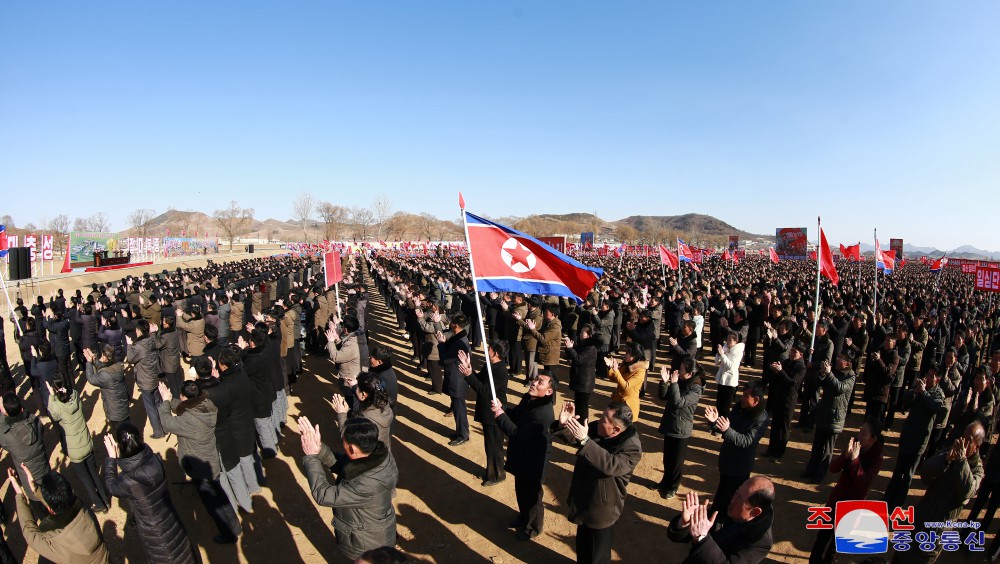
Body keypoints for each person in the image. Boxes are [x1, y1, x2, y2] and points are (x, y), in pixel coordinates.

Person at [552, 402, 642, 564]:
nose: (599, 420)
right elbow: (577, 439)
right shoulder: (601, 427)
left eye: (604, 419)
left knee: (597, 556)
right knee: (584, 547)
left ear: (616, 430)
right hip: (584, 496)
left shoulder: (632, 448)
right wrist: (564, 425)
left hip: (602, 507)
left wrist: (585, 441)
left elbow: (611, 465)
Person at [299, 416, 398, 561]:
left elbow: (323, 495)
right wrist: (319, 449)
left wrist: (311, 457)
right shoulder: (379, 455)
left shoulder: (367, 484)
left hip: (366, 543)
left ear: (352, 448)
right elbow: (344, 465)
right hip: (376, 531)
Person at [157, 380, 242, 544]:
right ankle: (235, 526)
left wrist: (165, 402)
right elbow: (184, 406)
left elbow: (167, 423)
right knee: (221, 496)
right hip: (211, 461)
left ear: (184, 397)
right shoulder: (206, 404)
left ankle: (228, 534)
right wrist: (170, 399)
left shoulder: (189, 420)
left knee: (213, 505)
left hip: (200, 467)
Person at [103, 423, 197, 563]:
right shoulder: (155, 459)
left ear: (120, 448)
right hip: (171, 521)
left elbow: (111, 486)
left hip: (155, 535)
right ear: (140, 439)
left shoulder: (128, 481)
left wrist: (111, 459)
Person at [896, 422, 985, 564]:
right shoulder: (949, 452)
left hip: (937, 532)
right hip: (920, 518)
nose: (962, 442)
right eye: (962, 436)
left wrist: (961, 462)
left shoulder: (977, 471)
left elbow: (966, 492)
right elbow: (925, 473)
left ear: (976, 447)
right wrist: (945, 460)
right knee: (901, 555)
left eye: (968, 440)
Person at [492, 371, 557, 541]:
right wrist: (503, 407)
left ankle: (533, 527)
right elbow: (516, 414)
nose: (534, 383)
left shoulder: (543, 414)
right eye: (536, 379)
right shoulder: (529, 399)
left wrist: (500, 416)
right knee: (521, 490)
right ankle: (523, 517)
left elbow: (516, 433)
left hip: (534, 460)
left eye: (540, 382)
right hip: (522, 455)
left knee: (533, 496)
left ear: (549, 391)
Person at [809, 421, 885, 563]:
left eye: (864, 433)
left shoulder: (877, 457)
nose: (859, 435)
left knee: (836, 545)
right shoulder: (855, 445)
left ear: (873, 439)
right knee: (822, 538)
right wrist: (845, 456)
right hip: (836, 499)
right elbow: (833, 468)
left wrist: (855, 461)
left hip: (852, 506)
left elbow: (864, 481)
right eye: (860, 431)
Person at [882, 363, 947, 512]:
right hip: (908, 436)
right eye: (928, 374)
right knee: (898, 472)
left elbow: (934, 408)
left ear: (937, 379)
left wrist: (923, 393)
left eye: (932, 376)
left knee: (908, 476)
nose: (928, 378)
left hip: (919, 441)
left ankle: (897, 505)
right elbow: (904, 401)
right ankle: (887, 502)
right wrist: (915, 392)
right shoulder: (920, 387)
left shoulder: (938, 394)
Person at [8, 468, 109, 564]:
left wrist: (20, 495)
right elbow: (64, 501)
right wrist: (37, 490)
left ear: (50, 510)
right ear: (70, 490)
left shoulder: (55, 541)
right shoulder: (86, 511)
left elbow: (30, 534)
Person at [667, 477, 775, 564]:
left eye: (740, 498)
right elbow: (685, 535)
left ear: (754, 512)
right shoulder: (725, 505)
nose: (733, 499)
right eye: (737, 492)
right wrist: (686, 523)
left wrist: (702, 538)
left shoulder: (760, 542)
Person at [703, 380, 770, 515]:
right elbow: (725, 426)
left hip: (740, 466)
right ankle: (715, 514)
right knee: (722, 491)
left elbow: (747, 441)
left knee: (733, 499)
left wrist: (727, 430)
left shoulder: (762, 418)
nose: (742, 398)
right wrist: (714, 422)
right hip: (727, 460)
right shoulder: (739, 407)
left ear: (756, 400)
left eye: (746, 395)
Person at [46, 377, 110, 513]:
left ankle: (98, 504)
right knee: (94, 473)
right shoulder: (75, 395)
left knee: (85, 479)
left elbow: (52, 413)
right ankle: (105, 500)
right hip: (87, 442)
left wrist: (51, 396)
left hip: (75, 449)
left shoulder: (57, 406)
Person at [460, 341, 510, 486]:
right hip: (487, 411)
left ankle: (497, 475)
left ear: (496, 353)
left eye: (489, 349)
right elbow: (480, 380)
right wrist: (470, 370)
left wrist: (469, 375)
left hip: (494, 413)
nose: (487, 350)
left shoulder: (501, 371)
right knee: (490, 444)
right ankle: (491, 471)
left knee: (494, 445)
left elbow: (484, 391)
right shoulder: (490, 365)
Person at [802, 352, 856, 483]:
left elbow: (839, 388)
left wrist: (829, 373)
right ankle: (810, 470)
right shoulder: (834, 372)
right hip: (824, 413)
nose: (837, 360)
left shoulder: (851, 376)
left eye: (840, 359)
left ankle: (820, 474)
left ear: (847, 363)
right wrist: (822, 373)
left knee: (827, 449)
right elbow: (820, 383)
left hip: (835, 418)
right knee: (817, 446)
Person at [657, 357, 704, 499]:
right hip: (670, 424)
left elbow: (678, 402)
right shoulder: (680, 382)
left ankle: (673, 486)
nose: (678, 370)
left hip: (681, 430)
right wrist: (664, 382)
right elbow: (663, 396)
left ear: (689, 374)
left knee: (676, 463)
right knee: (667, 459)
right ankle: (665, 482)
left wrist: (674, 383)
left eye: (682, 369)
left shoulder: (696, 389)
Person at [0, 392, 51, 501]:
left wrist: (2, 414)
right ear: (21, 409)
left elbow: (2, 437)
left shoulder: (8, 436)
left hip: (30, 483)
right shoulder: (35, 420)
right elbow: (40, 427)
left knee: (40, 507)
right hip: (46, 475)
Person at [238, 329, 279, 458]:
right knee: (267, 422)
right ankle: (274, 443)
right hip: (267, 391)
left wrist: (240, 351)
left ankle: (269, 451)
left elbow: (242, 372)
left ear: (252, 343)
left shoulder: (254, 359)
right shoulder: (265, 349)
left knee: (262, 425)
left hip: (258, 396)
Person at [764, 342, 806, 462]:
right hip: (779, 396)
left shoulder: (801, 368)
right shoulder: (787, 362)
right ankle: (771, 449)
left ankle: (779, 453)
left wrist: (781, 371)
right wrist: (774, 371)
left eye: (794, 352)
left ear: (801, 354)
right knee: (775, 424)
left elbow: (792, 383)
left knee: (784, 427)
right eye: (791, 351)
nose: (792, 354)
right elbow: (777, 379)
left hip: (789, 400)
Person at [332, 372, 395, 449]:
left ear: (363, 394)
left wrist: (341, 414)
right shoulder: (384, 404)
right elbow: (367, 395)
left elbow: (350, 438)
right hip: (384, 452)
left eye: (358, 387)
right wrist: (355, 385)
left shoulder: (365, 419)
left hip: (369, 459)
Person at [127, 320, 165, 439]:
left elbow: (130, 359)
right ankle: (164, 424)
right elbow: (156, 342)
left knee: (150, 407)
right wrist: (154, 333)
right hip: (153, 375)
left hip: (145, 379)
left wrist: (129, 345)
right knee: (158, 402)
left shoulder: (138, 346)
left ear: (139, 331)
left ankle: (158, 432)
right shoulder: (151, 340)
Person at [438, 313, 472, 446]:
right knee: (458, 407)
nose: (449, 324)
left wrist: (441, 344)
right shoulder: (460, 337)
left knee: (459, 408)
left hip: (457, 379)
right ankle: (460, 431)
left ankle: (463, 434)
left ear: (456, 326)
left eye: (452, 323)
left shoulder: (458, 342)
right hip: (457, 378)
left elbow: (446, 360)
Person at [83, 345, 130, 433]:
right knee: (128, 427)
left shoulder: (105, 375)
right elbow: (105, 365)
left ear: (105, 358)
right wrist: (94, 360)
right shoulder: (118, 365)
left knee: (121, 434)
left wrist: (89, 362)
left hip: (114, 411)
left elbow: (91, 379)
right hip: (123, 405)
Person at [565, 324, 600, 424]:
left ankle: (583, 429)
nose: (580, 334)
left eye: (582, 333)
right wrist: (569, 348)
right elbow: (572, 356)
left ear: (589, 335)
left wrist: (570, 348)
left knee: (582, 408)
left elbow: (578, 359)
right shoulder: (583, 344)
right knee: (579, 406)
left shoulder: (591, 348)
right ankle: (577, 425)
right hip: (580, 380)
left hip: (584, 382)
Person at [606, 343, 646, 420]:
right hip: (617, 401)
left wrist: (616, 370)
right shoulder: (626, 364)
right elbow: (614, 378)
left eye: (628, 353)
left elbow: (626, 386)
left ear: (634, 356)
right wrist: (610, 367)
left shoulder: (640, 371)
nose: (625, 354)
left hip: (628, 405)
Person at [714, 330, 745, 419]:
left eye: (730, 340)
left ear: (736, 342)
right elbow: (716, 363)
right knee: (719, 404)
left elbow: (731, 366)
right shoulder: (725, 347)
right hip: (721, 381)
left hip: (730, 383)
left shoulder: (738, 351)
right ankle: (716, 422)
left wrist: (723, 355)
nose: (728, 342)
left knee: (725, 407)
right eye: (727, 339)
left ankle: (723, 426)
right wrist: (718, 354)